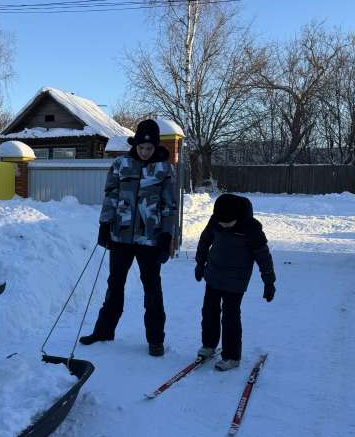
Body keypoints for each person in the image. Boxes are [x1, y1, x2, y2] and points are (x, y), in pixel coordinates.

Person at [80, 119, 177, 356]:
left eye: (149, 148)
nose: (145, 152)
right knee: (115, 285)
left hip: (150, 239)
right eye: (141, 147)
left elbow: (169, 205)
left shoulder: (164, 169)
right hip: (120, 236)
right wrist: (105, 224)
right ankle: (104, 331)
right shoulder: (120, 164)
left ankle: (155, 339)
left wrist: (167, 235)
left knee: (152, 289)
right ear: (135, 145)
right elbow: (110, 195)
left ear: (156, 146)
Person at [194, 193, 276, 370]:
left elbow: (263, 256)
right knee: (209, 311)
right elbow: (205, 240)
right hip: (213, 274)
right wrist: (200, 263)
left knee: (230, 316)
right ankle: (209, 345)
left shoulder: (252, 228)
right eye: (221, 223)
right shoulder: (216, 220)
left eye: (228, 223)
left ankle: (232, 356)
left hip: (236, 280)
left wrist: (269, 282)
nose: (224, 226)